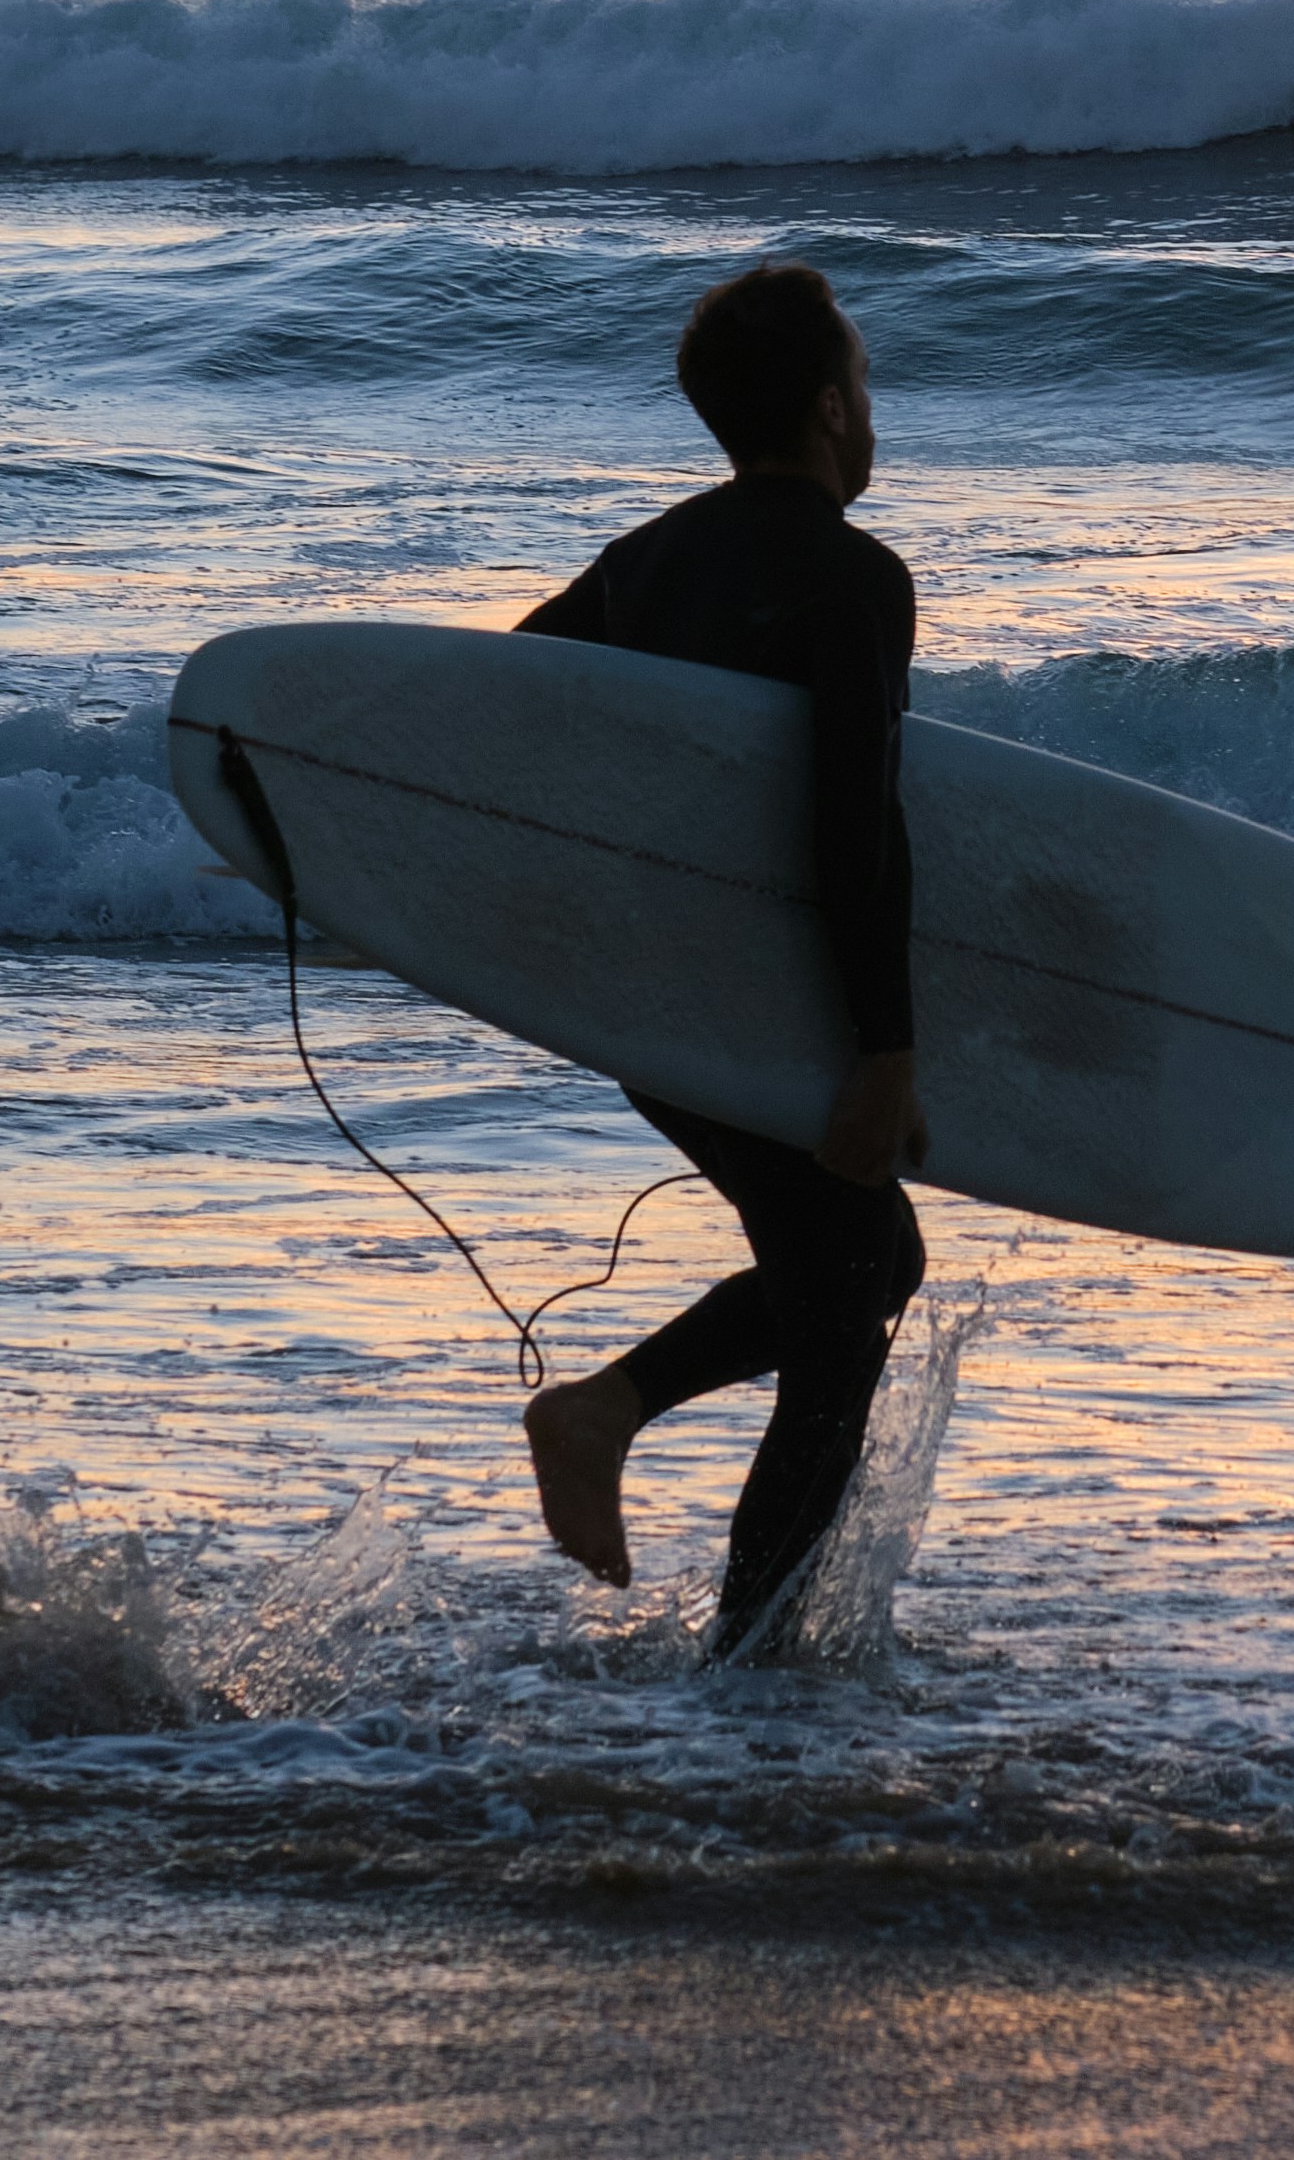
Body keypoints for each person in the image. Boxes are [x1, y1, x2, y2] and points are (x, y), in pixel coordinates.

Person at [507, 259, 934, 1657]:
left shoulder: (645, 562)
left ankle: (622, 1429)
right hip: (759, 1000)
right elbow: (850, 820)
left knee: (864, 1266)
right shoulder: (858, 578)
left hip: (639, 1003)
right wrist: (884, 1046)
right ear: (825, 407)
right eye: (863, 387)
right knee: (847, 1290)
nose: (872, 415)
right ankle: (749, 1675)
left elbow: (494, 706)